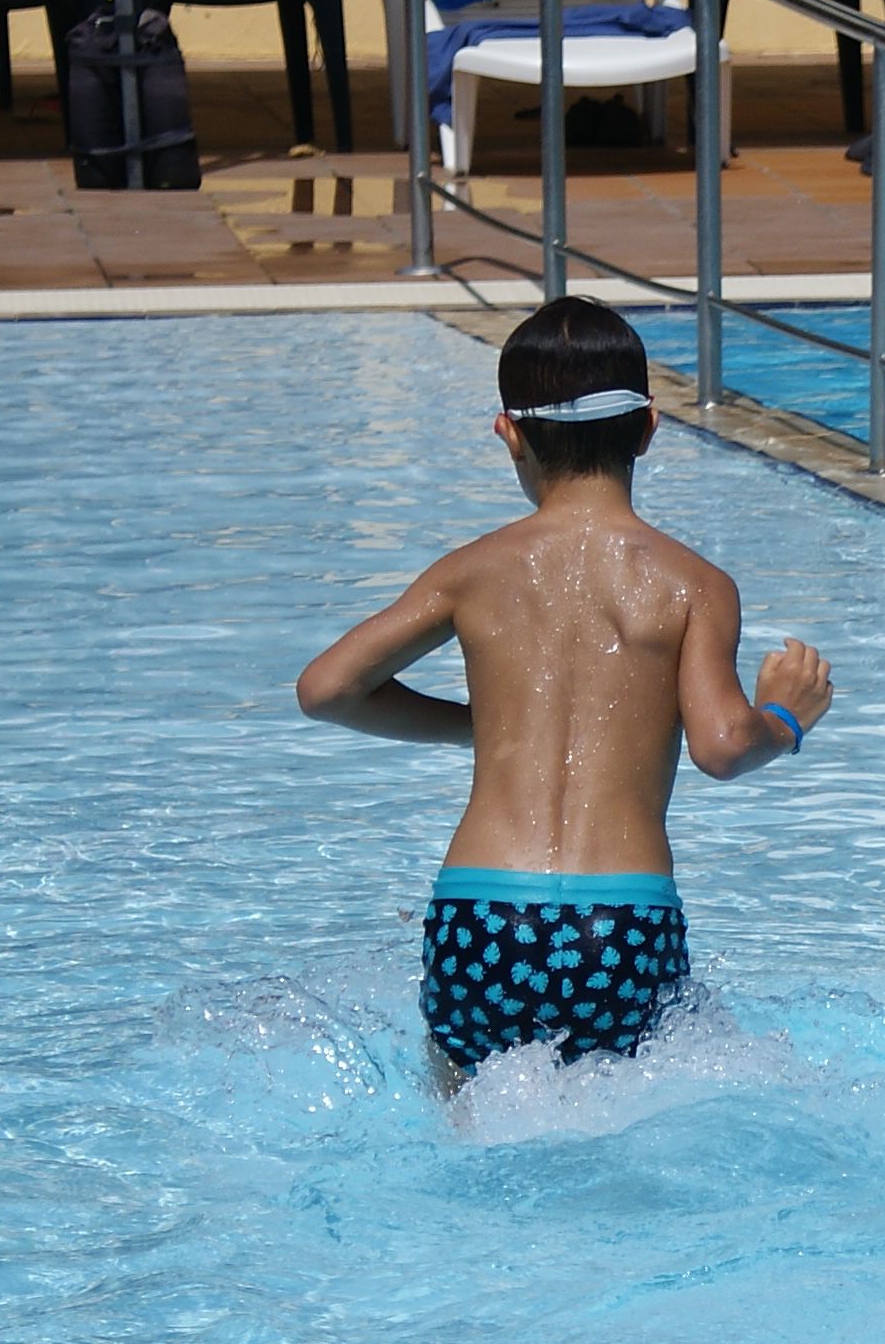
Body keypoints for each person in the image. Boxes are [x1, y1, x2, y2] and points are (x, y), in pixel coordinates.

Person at [293, 298, 832, 1074]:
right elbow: (721, 746)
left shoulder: (470, 573)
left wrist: (474, 726)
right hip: (620, 921)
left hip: (480, 915)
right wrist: (784, 714)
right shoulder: (694, 585)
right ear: (649, 428)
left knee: (465, 1141)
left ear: (508, 433)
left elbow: (327, 689)